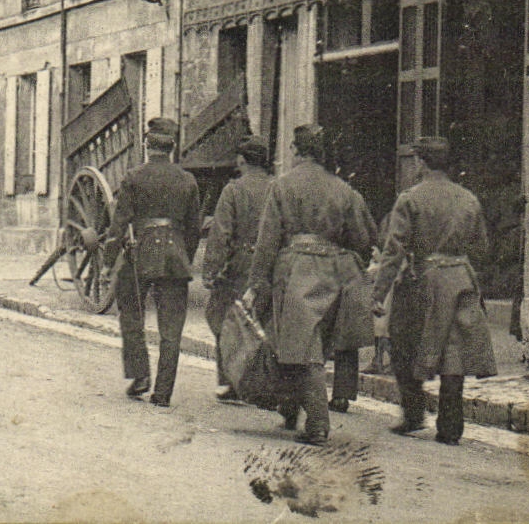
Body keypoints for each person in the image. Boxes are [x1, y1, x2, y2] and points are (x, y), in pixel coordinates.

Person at [248, 124, 376, 445]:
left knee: (304, 349)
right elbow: (363, 239)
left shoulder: (282, 186)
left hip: (294, 270)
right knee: (305, 343)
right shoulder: (344, 190)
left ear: (297, 150)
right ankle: (290, 408)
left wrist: (257, 281)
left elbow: (267, 240)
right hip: (334, 272)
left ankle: (317, 423)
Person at [373, 136, 497, 446]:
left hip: (422, 281)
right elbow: (481, 247)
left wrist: (378, 292)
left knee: (404, 342)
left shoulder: (409, 199)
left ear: (421, 162)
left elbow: (394, 250)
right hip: (461, 281)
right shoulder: (469, 199)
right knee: (454, 350)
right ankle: (451, 427)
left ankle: (413, 415)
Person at [109, 117, 203, 408]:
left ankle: (140, 377)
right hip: (175, 255)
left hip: (141, 254)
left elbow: (119, 223)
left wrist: (107, 261)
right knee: (171, 329)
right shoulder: (188, 180)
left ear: (148, 146)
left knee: (131, 313)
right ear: (172, 147)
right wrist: (183, 254)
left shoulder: (134, 177)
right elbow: (194, 228)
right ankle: (163, 393)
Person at [203, 134, 275, 402]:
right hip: (270, 265)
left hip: (239, 265)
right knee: (264, 323)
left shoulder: (233, 190)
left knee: (224, 319)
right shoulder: (277, 187)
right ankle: (262, 383)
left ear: (243, 161)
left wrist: (211, 271)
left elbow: (220, 234)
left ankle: (231, 382)